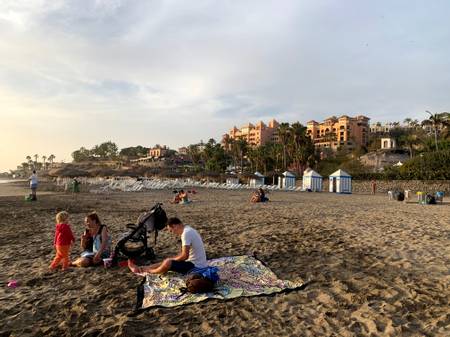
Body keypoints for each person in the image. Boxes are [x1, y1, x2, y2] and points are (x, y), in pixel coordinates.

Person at [128, 217, 207, 274]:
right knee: (168, 260)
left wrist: (171, 260)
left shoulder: (186, 234)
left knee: (167, 262)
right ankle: (141, 268)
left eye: (171, 230)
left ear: (175, 226)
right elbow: (185, 254)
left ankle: (149, 271)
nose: (173, 233)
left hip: (195, 267)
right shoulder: (188, 229)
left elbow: (185, 256)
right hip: (198, 263)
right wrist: (172, 259)